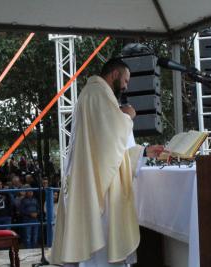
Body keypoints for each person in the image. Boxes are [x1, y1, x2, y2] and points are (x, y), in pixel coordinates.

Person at [51, 58, 164, 266]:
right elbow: (112, 139)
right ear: (114, 74)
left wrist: (144, 152)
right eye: (126, 80)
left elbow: (111, 149)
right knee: (100, 253)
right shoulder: (97, 93)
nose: (126, 86)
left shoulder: (95, 94)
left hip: (94, 181)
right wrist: (128, 116)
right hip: (98, 189)